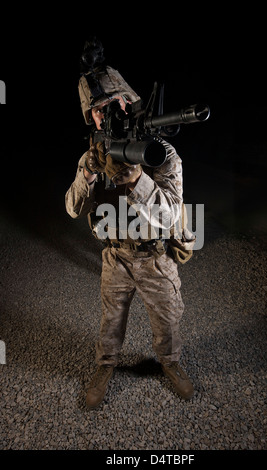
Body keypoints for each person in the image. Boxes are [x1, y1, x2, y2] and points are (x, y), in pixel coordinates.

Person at [65, 39, 194, 409]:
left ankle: (170, 363)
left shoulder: (163, 155)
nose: (108, 116)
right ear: (92, 119)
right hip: (116, 255)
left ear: (129, 101)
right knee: (111, 319)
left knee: (167, 318)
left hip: (154, 255)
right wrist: (88, 175)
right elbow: (73, 209)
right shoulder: (93, 154)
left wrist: (138, 179)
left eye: (113, 105)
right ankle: (106, 365)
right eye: (98, 111)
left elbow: (170, 214)